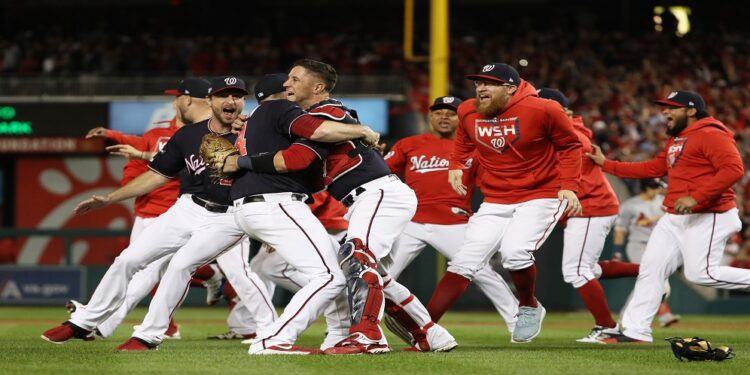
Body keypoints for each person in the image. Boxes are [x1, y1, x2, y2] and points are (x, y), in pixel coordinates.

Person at [224, 60, 457, 354]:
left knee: (357, 256)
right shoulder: (312, 118)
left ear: (317, 87)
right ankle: (430, 333)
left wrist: (241, 161)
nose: (287, 84)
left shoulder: (326, 113)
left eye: (296, 79)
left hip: (379, 193)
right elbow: (310, 176)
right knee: (368, 273)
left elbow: (294, 159)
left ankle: (367, 337)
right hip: (364, 198)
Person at [41, 77, 277, 352]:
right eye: (224, 95)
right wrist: (109, 199)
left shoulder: (253, 132)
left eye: (237, 96)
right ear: (210, 101)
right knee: (128, 259)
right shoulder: (188, 135)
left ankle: (148, 335)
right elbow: (156, 175)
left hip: (228, 216)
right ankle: (83, 322)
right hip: (188, 207)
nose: (231, 101)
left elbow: (278, 163)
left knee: (181, 267)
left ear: (243, 102)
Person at [423, 63, 583, 344]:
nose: (481, 88)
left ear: (510, 88)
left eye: (490, 83)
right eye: (478, 83)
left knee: (515, 253)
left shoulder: (544, 109)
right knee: (463, 262)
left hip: (541, 193)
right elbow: (462, 141)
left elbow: (570, 146)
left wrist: (569, 186)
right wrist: (456, 164)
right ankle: (423, 328)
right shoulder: (468, 110)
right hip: (496, 197)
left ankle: (529, 306)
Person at [225, 72, 383, 355]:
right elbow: (319, 131)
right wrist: (361, 130)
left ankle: (336, 336)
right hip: (276, 202)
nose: (292, 88)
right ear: (282, 94)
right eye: (289, 84)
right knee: (329, 276)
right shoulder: (282, 109)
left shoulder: (253, 121)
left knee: (333, 269)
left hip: (246, 205)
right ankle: (272, 340)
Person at [586, 90, 748, 343]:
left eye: (672, 107)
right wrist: (606, 164)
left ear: (691, 110)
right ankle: (634, 330)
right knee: (651, 270)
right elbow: (653, 168)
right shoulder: (678, 138)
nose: (665, 111)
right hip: (674, 217)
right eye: (665, 107)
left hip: (710, 214)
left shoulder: (711, 133)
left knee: (700, 274)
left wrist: (697, 197)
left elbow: (733, 169)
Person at [74, 79, 204, 340]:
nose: (172, 101)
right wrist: (114, 135)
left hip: (177, 213)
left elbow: (168, 160)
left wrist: (140, 156)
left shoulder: (202, 135)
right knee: (143, 269)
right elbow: (145, 145)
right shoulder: (157, 134)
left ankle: (98, 323)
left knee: (147, 272)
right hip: (146, 214)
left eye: (176, 96)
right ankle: (167, 323)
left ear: (187, 100)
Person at [383, 95, 518, 334]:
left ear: (461, 118)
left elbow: (497, 181)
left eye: (451, 112)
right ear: (430, 116)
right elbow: (382, 173)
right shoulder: (408, 144)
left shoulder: (475, 149)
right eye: (439, 112)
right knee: (381, 275)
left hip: (454, 222)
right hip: (411, 222)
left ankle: (518, 322)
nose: (444, 116)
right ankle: (362, 325)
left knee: (481, 271)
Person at [537, 88, 639, 343]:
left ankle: (607, 327)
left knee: (576, 270)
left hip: (590, 206)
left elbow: (571, 148)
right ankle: (650, 270)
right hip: (586, 208)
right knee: (588, 268)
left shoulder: (569, 132)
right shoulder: (560, 130)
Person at [612, 178, 680, 328]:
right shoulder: (630, 205)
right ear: (646, 188)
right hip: (638, 246)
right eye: (655, 187)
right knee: (657, 284)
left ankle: (626, 318)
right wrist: (617, 252)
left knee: (654, 285)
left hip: (660, 247)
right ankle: (658, 315)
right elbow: (620, 229)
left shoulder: (663, 201)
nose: (658, 190)